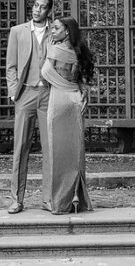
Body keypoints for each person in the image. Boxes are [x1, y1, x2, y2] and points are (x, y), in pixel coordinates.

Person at [40, 16, 95, 214]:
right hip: (76, 100)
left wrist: (48, 52)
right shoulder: (80, 52)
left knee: (58, 150)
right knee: (76, 151)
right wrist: (82, 91)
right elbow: (82, 79)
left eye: (56, 28)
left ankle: (59, 202)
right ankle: (77, 197)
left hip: (59, 101)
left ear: (66, 32)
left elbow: (45, 74)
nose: (52, 31)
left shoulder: (55, 49)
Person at [5, 0, 53, 214]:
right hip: (25, 94)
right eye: (35, 5)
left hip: (49, 95)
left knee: (50, 148)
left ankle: (49, 199)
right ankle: (16, 199)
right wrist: (14, 92)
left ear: (48, 11)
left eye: (42, 7)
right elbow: (11, 65)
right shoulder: (17, 31)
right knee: (20, 148)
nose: (37, 10)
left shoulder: (57, 31)